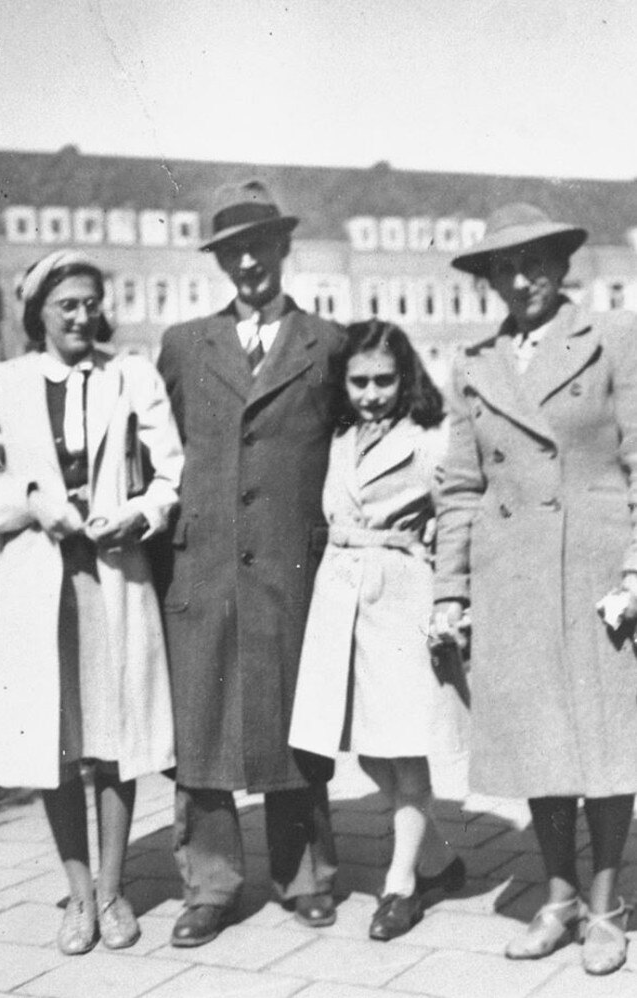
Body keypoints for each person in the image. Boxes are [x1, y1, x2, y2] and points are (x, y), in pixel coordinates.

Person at [431, 202, 637, 976]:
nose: (524, 280)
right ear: (487, 278)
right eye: (506, 268)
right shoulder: (476, 365)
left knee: (608, 739)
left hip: (595, 567)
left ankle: (608, 905)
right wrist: (449, 590)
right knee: (541, 742)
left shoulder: (614, 338)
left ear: (563, 265)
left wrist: (636, 567)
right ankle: (558, 899)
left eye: (539, 262)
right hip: (511, 570)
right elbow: (459, 488)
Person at [157, 181, 344, 947]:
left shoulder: (327, 344)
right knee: (201, 724)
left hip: (288, 567)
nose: (246, 261)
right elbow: (164, 444)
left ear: (282, 249)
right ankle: (211, 885)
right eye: (231, 250)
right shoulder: (182, 345)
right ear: (219, 261)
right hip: (201, 565)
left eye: (259, 246)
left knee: (290, 719)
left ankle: (306, 877)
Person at [0, 250, 183, 956]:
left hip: (112, 572)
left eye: (89, 303)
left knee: (114, 734)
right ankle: (75, 892)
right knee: (55, 739)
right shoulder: (1, 383)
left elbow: (171, 472)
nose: (80, 316)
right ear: (36, 310)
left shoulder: (129, 374)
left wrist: (140, 512)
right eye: (65, 304)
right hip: (38, 579)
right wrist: (33, 503)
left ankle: (112, 889)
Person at [290, 320, 467, 941]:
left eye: (384, 380)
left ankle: (400, 886)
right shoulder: (338, 435)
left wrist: (452, 599)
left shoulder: (430, 436)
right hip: (339, 595)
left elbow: (456, 519)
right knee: (364, 745)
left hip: (399, 592)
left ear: (406, 377)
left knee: (403, 743)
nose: (370, 393)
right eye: (359, 380)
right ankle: (441, 858)